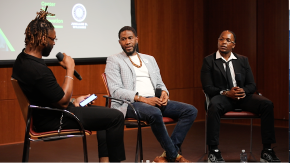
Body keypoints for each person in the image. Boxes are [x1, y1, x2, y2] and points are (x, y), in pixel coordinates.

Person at [11, 7, 125, 163]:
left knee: (107, 114)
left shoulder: (22, 60)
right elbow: (63, 101)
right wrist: (70, 69)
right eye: (53, 39)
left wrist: (75, 101)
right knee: (116, 117)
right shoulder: (37, 70)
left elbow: (49, 96)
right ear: (44, 39)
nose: (54, 44)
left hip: (50, 113)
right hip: (56, 119)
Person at [101, 26, 198, 163]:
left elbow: (159, 83)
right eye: (123, 39)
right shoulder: (114, 60)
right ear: (120, 42)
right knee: (154, 112)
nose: (127, 42)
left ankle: (168, 155)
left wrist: (164, 93)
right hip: (130, 103)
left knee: (190, 111)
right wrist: (143, 100)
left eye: (130, 38)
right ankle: (174, 156)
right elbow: (116, 91)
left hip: (154, 100)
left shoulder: (149, 59)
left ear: (136, 39)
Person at [200, 30, 281, 163]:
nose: (223, 43)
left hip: (242, 97)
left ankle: (267, 151)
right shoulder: (209, 61)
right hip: (222, 97)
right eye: (221, 39)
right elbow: (207, 87)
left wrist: (242, 91)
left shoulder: (242, 60)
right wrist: (226, 92)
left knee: (267, 104)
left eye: (227, 40)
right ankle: (213, 151)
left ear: (234, 45)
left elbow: (252, 85)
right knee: (213, 105)